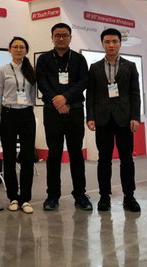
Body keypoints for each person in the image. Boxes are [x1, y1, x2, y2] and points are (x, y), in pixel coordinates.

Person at [36, 23, 92, 211]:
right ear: (52, 37)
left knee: (76, 153)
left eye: (64, 35)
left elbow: (84, 81)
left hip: (74, 110)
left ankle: (80, 195)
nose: (61, 38)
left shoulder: (79, 59)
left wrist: (65, 98)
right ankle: (52, 195)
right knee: (54, 154)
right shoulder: (44, 59)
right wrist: (58, 102)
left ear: (70, 37)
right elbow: (42, 83)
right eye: (57, 35)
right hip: (52, 111)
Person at [86, 28, 141, 212]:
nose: (111, 45)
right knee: (104, 160)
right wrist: (90, 116)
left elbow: (135, 93)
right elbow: (91, 94)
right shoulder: (94, 67)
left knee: (127, 159)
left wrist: (135, 117)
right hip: (103, 119)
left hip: (124, 119)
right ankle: (104, 197)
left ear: (120, 43)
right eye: (107, 42)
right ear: (102, 44)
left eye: (114, 41)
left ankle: (129, 197)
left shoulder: (130, 66)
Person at [0, 37, 37, 214]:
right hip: (9, 114)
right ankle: (13, 197)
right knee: (9, 156)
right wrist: (4, 112)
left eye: (22, 47)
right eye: (15, 47)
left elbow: (33, 93)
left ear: (26, 50)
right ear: (9, 50)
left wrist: (28, 107)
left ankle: (25, 198)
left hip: (27, 115)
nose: (19, 50)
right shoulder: (3, 70)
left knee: (27, 157)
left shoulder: (31, 70)